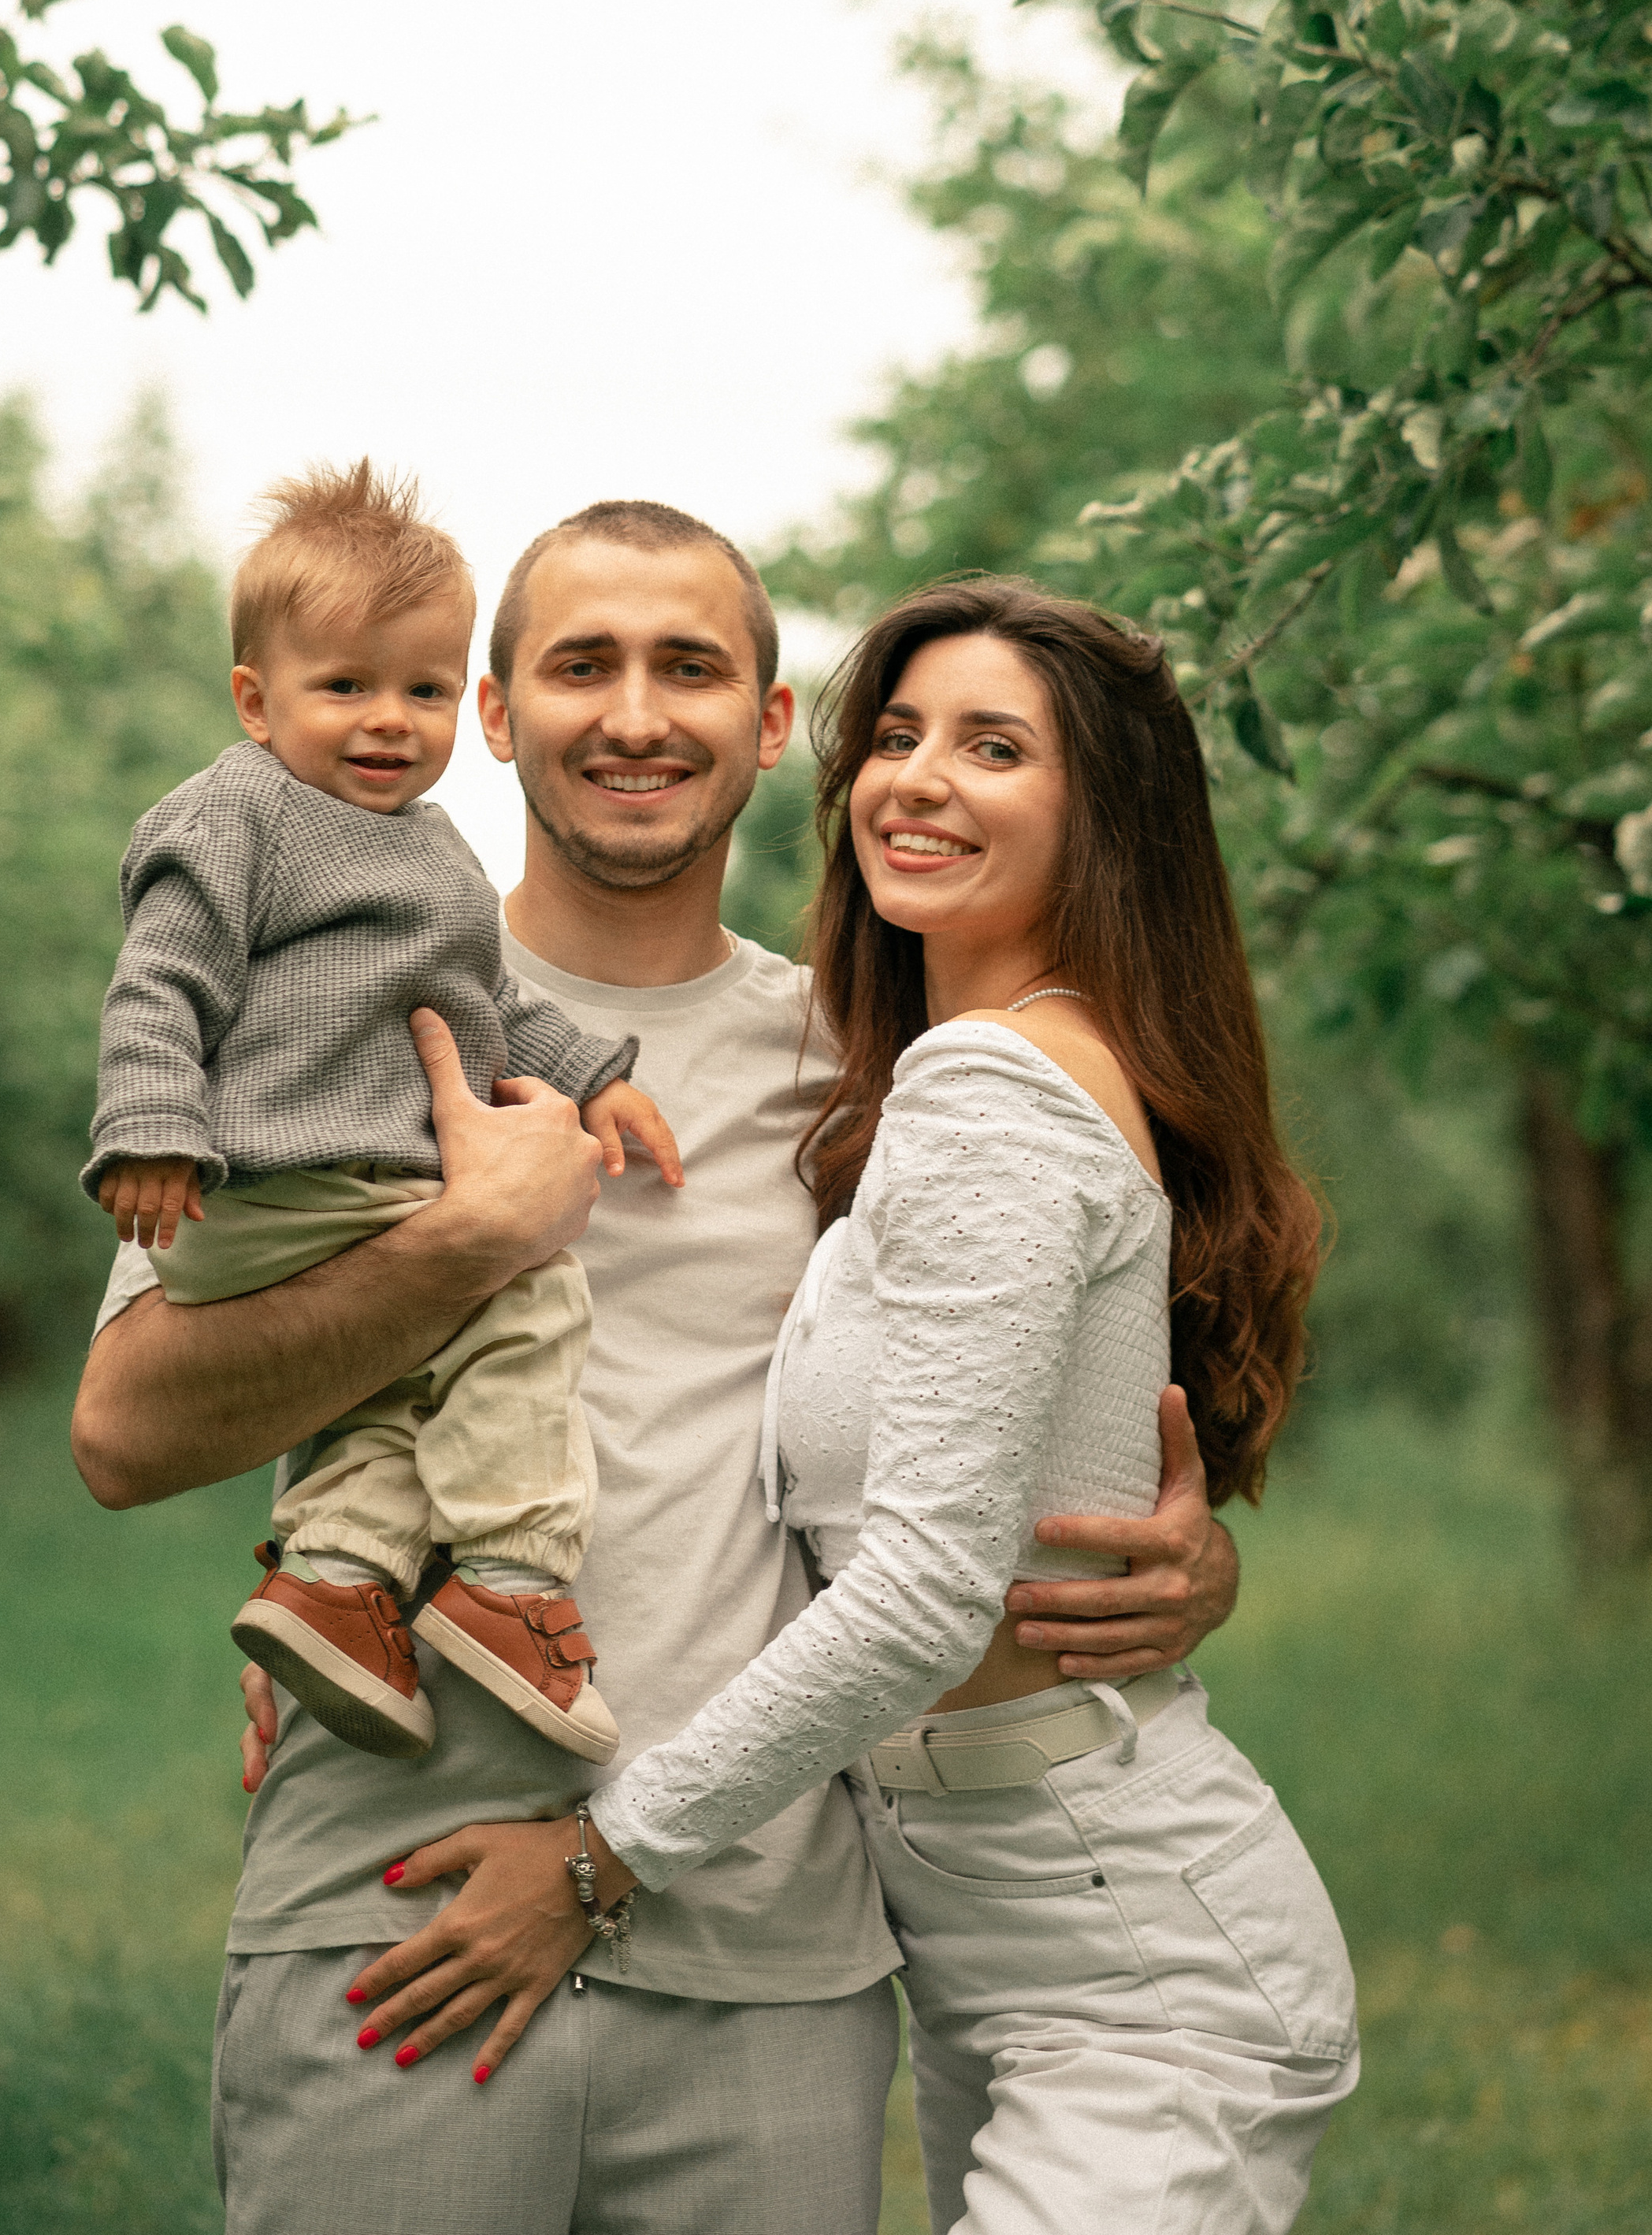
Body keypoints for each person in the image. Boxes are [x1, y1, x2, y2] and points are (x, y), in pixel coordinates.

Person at [72, 509, 1242, 2235]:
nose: (635, 714)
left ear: (769, 725)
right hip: (394, 1908)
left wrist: (1179, 1561)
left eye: (688, 667)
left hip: (763, 1949)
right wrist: (466, 1243)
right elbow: (122, 1431)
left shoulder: (878, 1071)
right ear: (491, 713)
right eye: (579, 666)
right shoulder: (319, 1010)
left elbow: (1000, 1421)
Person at [347, 576, 1356, 2235]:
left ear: (1101, 817)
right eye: (893, 737)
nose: (916, 779)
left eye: (991, 748)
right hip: (986, 1925)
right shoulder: (947, 1073)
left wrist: (603, 1858)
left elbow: (918, 1593)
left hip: (1125, 1947)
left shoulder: (989, 1089)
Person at [83, 460, 676, 1765]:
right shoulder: (239, 811)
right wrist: (149, 1125)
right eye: (343, 686)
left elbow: (479, 1005)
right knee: (528, 1295)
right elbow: (160, 980)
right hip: (291, 1175)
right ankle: (514, 1580)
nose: (386, 722)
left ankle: (339, 1582)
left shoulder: (428, 845)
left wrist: (594, 1072)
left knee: (393, 1380)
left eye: (419, 690)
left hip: (346, 1190)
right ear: (256, 699)